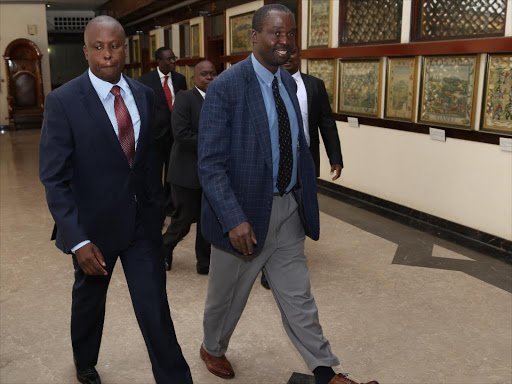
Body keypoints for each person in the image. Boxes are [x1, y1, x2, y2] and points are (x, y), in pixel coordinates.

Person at [197, 5, 378, 384]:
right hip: (243, 218)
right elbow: (210, 163)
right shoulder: (227, 88)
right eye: (276, 33)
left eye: (290, 33)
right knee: (227, 298)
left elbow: (296, 146)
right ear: (255, 36)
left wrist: (303, 197)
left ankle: (326, 371)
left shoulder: (288, 84)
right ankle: (212, 348)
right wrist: (233, 218)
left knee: (299, 298)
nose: (285, 41)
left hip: (288, 210)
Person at [39, 16, 192, 384]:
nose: (107, 55)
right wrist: (77, 240)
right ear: (86, 51)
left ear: (126, 48)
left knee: (155, 308)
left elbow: (149, 157)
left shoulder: (144, 94)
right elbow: (54, 178)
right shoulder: (63, 101)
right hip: (93, 230)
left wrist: (158, 210)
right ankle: (85, 360)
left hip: (142, 225)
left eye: (115, 46)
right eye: (98, 47)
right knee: (90, 303)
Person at [261, 45, 344, 289]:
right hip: (275, 162)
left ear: (299, 56)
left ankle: (291, 257)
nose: (287, 57)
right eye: (282, 53)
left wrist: (335, 157)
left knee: (300, 211)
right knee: (274, 212)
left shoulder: (314, 85)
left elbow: (327, 123)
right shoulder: (267, 84)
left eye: (292, 53)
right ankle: (268, 267)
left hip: (305, 160)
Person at [162, 60, 216, 274]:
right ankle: (164, 248)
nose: (209, 78)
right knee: (183, 221)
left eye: (213, 73)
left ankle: (204, 263)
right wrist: (213, 144)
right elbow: (181, 134)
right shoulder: (185, 98)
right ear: (195, 78)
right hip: (186, 173)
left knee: (207, 221)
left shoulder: (219, 98)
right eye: (204, 74)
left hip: (211, 173)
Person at [139, 47, 187, 231]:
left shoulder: (180, 79)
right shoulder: (146, 81)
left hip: (176, 135)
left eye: (173, 58)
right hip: (155, 136)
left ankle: (170, 205)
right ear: (158, 62)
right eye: (168, 59)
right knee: (154, 173)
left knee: (172, 173)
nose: (172, 62)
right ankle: (156, 210)